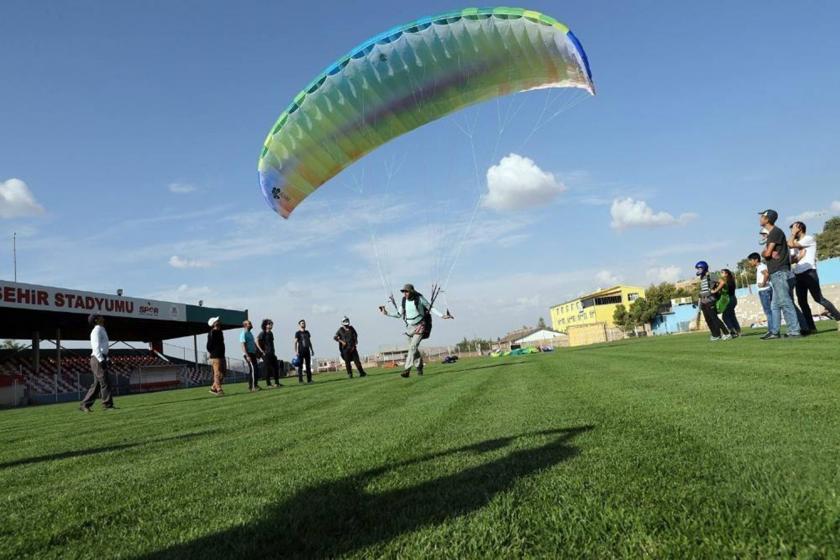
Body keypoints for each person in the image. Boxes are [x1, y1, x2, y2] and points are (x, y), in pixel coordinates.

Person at [379, 283, 453, 377]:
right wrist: (386, 313)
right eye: (403, 291)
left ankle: (407, 369)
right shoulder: (404, 301)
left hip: (420, 326)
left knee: (412, 347)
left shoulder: (420, 298)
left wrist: (442, 315)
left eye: (406, 291)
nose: (405, 293)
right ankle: (419, 367)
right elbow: (399, 314)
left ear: (411, 291)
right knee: (414, 349)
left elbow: (431, 308)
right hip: (409, 327)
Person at [788, 221, 840, 333]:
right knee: (802, 302)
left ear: (799, 228)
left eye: (793, 229)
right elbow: (791, 260)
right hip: (798, 274)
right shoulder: (795, 241)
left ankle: (839, 317)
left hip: (809, 272)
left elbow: (790, 244)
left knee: (818, 298)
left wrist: (793, 235)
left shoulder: (809, 239)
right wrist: (798, 257)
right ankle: (811, 328)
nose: (792, 231)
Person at [759, 209, 801, 339]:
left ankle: (794, 330)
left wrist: (767, 253)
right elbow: (765, 253)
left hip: (779, 271)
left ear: (768, 219)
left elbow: (766, 253)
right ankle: (775, 331)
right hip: (775, 272)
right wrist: (766, 253)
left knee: (785, 301)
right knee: (775, 305)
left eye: (762, 216)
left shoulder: (775, 232)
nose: (760, 218)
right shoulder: (772, 233)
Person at [80, 314, 114, 412]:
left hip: (100, 357)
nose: (102, 316)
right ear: (96, 320)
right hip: (97, 358)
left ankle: (85, 404)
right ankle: (107, 405)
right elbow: (96, 346)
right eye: (99, 316)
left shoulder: (101, 329)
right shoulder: (97, 330)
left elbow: (103, 347)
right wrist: (101, 359)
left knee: (97, 384)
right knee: (105, 381)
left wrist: (106, 359)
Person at [695, 261, 730, 341]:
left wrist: (715, 290)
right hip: (703, 302)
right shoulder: (702, 277)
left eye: (699, 268)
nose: (698, 270)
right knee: (708, 319)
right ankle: (715, 335)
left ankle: (726, 333)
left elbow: (722, 282)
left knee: (714, 318)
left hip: (710, 300)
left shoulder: (711, 275)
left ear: (704, 268)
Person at [748, 252, 775, 334]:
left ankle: (771, 330)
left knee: (768, 311)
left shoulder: (761, 267)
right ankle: (773, 329)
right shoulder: (761, 266)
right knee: (769, 311)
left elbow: (766, 274)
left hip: (764, 291)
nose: (750, 262)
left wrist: (763, 283)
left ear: (756, 260)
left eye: (751, 260)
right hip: (766, 290)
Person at [713, 269, 741, 338]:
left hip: (728, 300)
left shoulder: (725, 282)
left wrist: (715, 290)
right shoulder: (731, 281)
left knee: (725, 317)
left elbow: (722, 288)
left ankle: (732, 331)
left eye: (722, 272)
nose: (721, 274)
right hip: (733, 299)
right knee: (732, 316)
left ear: (726, 274)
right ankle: (738, 331)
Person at [257, 319, 283, 388]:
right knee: (267, 369)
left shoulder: (271, 333)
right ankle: (268, 384)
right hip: (266, 354)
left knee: (276, 367)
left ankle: (276, 383)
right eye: (270, 324)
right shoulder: (262, 333)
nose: (271, 325)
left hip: (272, 353)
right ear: (266, 325)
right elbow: (256, 341)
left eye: (271, 324)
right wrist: (262, 351)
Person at [241, 320, 262, 392]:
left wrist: (256, 353)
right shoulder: (243, 333)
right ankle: (253, 387)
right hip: (248, 354)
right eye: (249, 324)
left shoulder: (250, 333)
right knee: (253, 369)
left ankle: (253, 385)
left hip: (252, 354)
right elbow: (243, 345)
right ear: (245, 325)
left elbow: (252, 344)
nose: (251, 324)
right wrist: (247, 356)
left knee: (254, 369)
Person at [206, 316, 226, 395]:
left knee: (223, 373)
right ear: (213, 324)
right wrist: (213, 353)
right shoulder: (212, 333)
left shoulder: (220, 332)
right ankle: (218, 389)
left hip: (222, 355)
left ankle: (213, 388)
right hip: (215, 356)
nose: (219, 321)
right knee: (217, 373)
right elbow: (208, 346)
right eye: (217, 321)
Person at [294, 319, 314, 384]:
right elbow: (295, 342)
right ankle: (301, 380)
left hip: (307, 351)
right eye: (302, 323)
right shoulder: (298, 333)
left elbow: (309, 341)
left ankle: (309, 380)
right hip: (300, 351)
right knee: (300, 366)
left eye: (304, 323)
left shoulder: (307, 332)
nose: (303, 324)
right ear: (299, 325)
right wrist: (296, 351)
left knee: (308, 366)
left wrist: (312, 350)